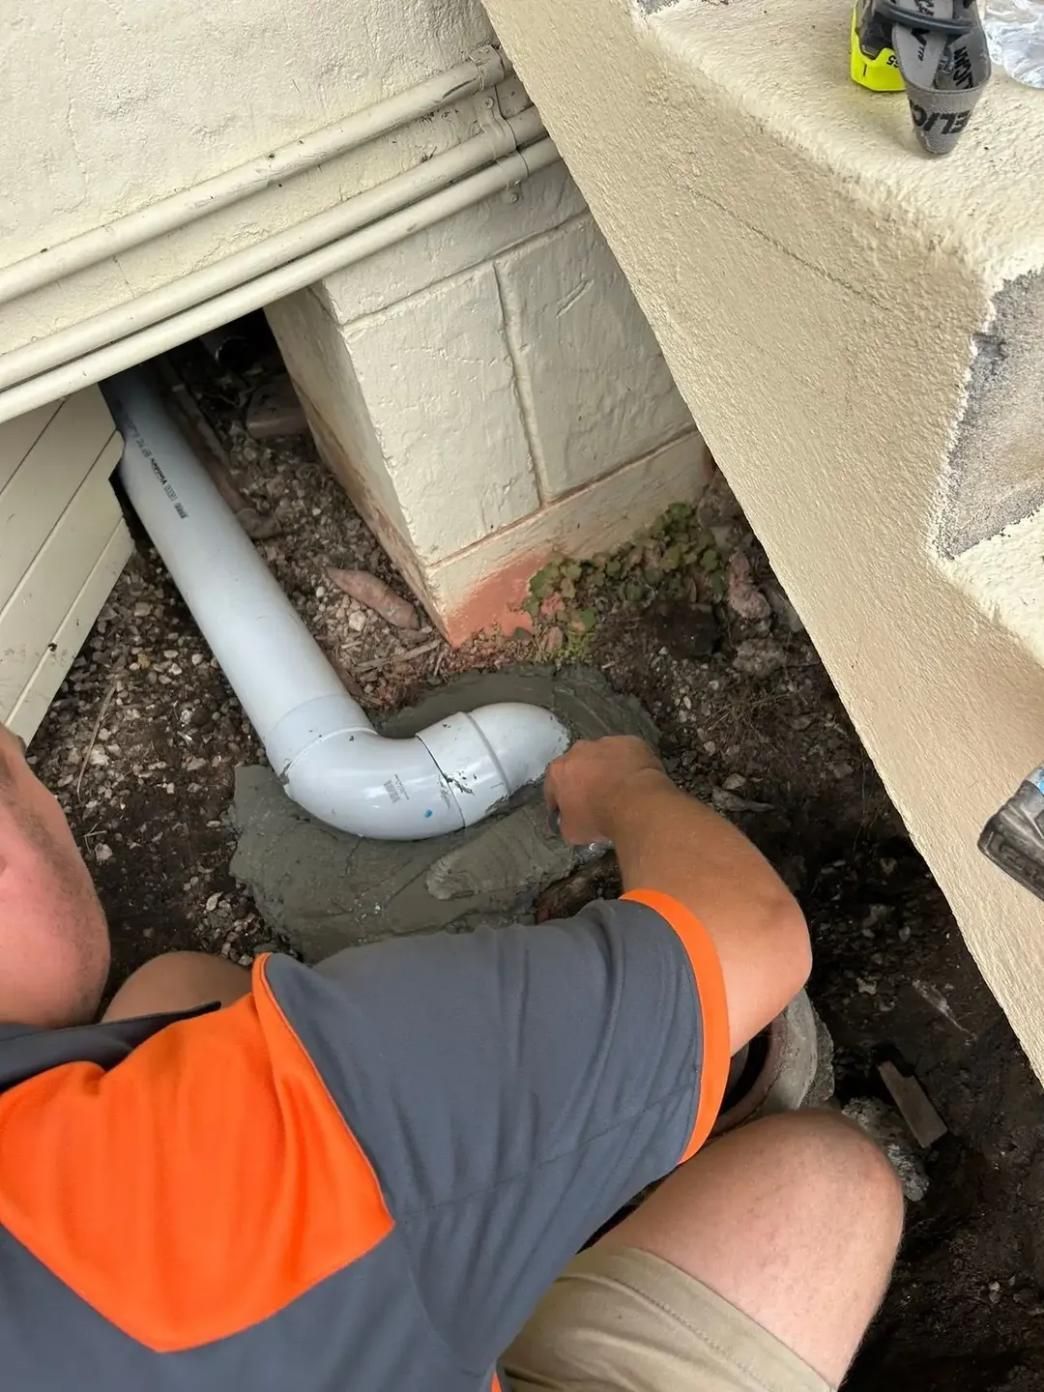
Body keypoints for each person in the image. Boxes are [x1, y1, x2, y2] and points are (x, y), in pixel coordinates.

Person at [0, 718, 902, 1391]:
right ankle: (622, 1137)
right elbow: (755, 932)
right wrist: (630, 789)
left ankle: (545, 1190)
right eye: (20, 769)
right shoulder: (196, 1161)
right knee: (828, 1186)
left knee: (174, 993)